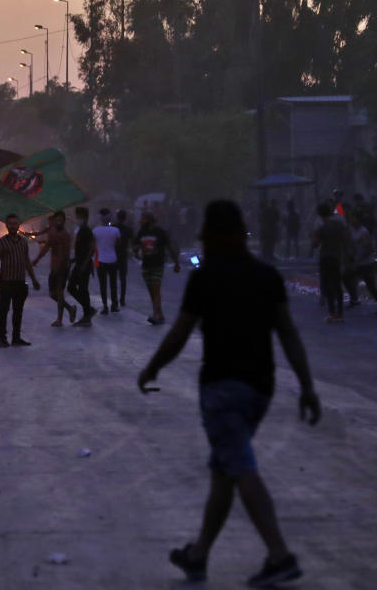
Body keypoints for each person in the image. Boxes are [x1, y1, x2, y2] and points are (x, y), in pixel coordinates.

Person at [138, 200, 321, 588]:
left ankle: (280, 555)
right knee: (223, 472)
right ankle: (198, 555)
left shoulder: (206, 279)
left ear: (215, 238)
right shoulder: (266, 276)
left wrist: (153, 367)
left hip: (222, 387)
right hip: (260, 388)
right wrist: (306, 386)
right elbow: (287, 333)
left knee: (238, 467)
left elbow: (180, 332)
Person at [0, 213, 40, 346]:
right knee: (4, 310)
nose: (13, 226)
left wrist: (34, 279)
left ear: (18, 225)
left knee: (18, 311)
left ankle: (16, 338)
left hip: (20, 281)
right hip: (6, 282)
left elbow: (27, 262)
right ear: (6, 225)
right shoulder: (1, 243)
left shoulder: (23, 242)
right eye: (10, 224)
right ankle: (3, 339)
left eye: (15, 223)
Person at [134, 211, 181, 325]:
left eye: (143, 219)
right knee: (152, 291)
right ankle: (160, 314)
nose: (141, 221)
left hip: (157, 265)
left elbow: (169, 247)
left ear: (149, 220)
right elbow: (135, 246)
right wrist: (136, 252)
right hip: (146, 265)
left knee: (156, 288)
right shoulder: (141, 232)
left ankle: (155, 314)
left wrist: (176, 262)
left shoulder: (160, 232)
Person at [32, 211, 76, 326]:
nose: (58, 222)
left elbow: (65, 254)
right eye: (57, 220)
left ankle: (59, 319)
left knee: (60, 293)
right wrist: (37, 259)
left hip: (62, 268)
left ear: (64, 221)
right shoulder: (52, 232)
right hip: (54, 267)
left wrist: (61, 268)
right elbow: (47, 246)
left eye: (61, 220)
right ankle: (70, 309)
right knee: (52, 294)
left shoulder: (65, 235)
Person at [311, 202, 349, 323]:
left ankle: (332, 313)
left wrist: (313, 239)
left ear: (320, 214)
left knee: (328, 285)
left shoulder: (321, 228)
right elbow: (346, 240)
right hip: (337, 256)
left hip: (325, 257)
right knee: (337, 285)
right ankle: (340, 313)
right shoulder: (338, 225)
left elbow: (315, 244)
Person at [67, 207, 96, 327]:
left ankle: (87, 316)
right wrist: (73, 260)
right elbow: (80, 250)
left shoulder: (87, 231)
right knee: (71, 287)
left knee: (83, 289)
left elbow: (91, 249)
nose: (77, 219)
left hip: (84, 265)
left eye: (79, 217)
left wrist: (85, 264)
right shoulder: (80, 230)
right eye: (77, 216)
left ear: (85, 217)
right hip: (79, 263)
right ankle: (88, 309)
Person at [342, 211, 377, 307]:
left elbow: (368, 249)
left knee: (371, 286)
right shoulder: (353, 230)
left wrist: (357, 257)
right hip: (358, 263)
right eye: (352, 218)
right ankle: (354, 299)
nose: (352, 221)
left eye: (354, 219)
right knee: (346, 277)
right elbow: (352, 245)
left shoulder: (363, 232)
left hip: (366, 264)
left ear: (359, 220)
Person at [93, 209, 121, 315]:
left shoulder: (96, 230)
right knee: (113, 284)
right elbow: (118, 244)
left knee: (103, 285)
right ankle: (114, 305)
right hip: (113, 259)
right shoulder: (115, 230)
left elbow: (93, 245)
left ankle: (105, 306)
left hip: (101, 260)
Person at [113, 209, 134, 307]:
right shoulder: (128, 229)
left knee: (113, 278)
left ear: (117, 217)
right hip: (123, 255)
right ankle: (122, 299)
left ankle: (115, 299)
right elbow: (132, 242)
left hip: (113, 255)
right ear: (125, 218)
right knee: (123, 278)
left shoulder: (113, 227)